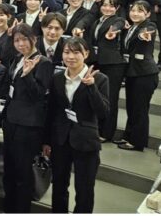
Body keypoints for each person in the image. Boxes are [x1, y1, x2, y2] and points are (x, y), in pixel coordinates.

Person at [43, 37, 109, 213]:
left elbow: (103, 112)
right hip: (60, 139)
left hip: (86, 141)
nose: (70, 57)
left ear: (86, 54)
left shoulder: (100, 79)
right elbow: (51, 111)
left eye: (76, 52)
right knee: (58, 185)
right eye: (67, 52)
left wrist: (91, 87)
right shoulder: (57, 78)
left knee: (84, 190)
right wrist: (47, 140)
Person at [1, 23, 54, 213]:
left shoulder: (43, 62)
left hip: (28, 125)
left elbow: (38, 95)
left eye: (24, 39)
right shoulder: (18, 58)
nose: (20, 44)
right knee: (9, 169)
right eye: (17, 40)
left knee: (23, 173)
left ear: (34, 39)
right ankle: (8, 208)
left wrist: (28, 75)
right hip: (11, 120)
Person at [116, 0, 160, 151]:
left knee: (139, 109)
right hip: (132, 73)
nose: (135, 13)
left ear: (147, 14)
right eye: (133, 10)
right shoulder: (131, 27)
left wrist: (143, 36)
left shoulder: (149, 26)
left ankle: (137, 142)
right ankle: (128, 136)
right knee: (131, 107)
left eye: (140, 11)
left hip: (145, 74)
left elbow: (147, 31)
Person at [87, 0, 128, 142]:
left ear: (117, 8)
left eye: (111, 6)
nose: (107, 8)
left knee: (110, 98)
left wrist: (113, 31)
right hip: (98, 62)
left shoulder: (118, 20)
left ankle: (107, 132)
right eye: (104, 5)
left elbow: (119, 25)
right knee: (99, 97)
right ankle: (98, 128)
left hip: (113, 64)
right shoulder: (98, 20)